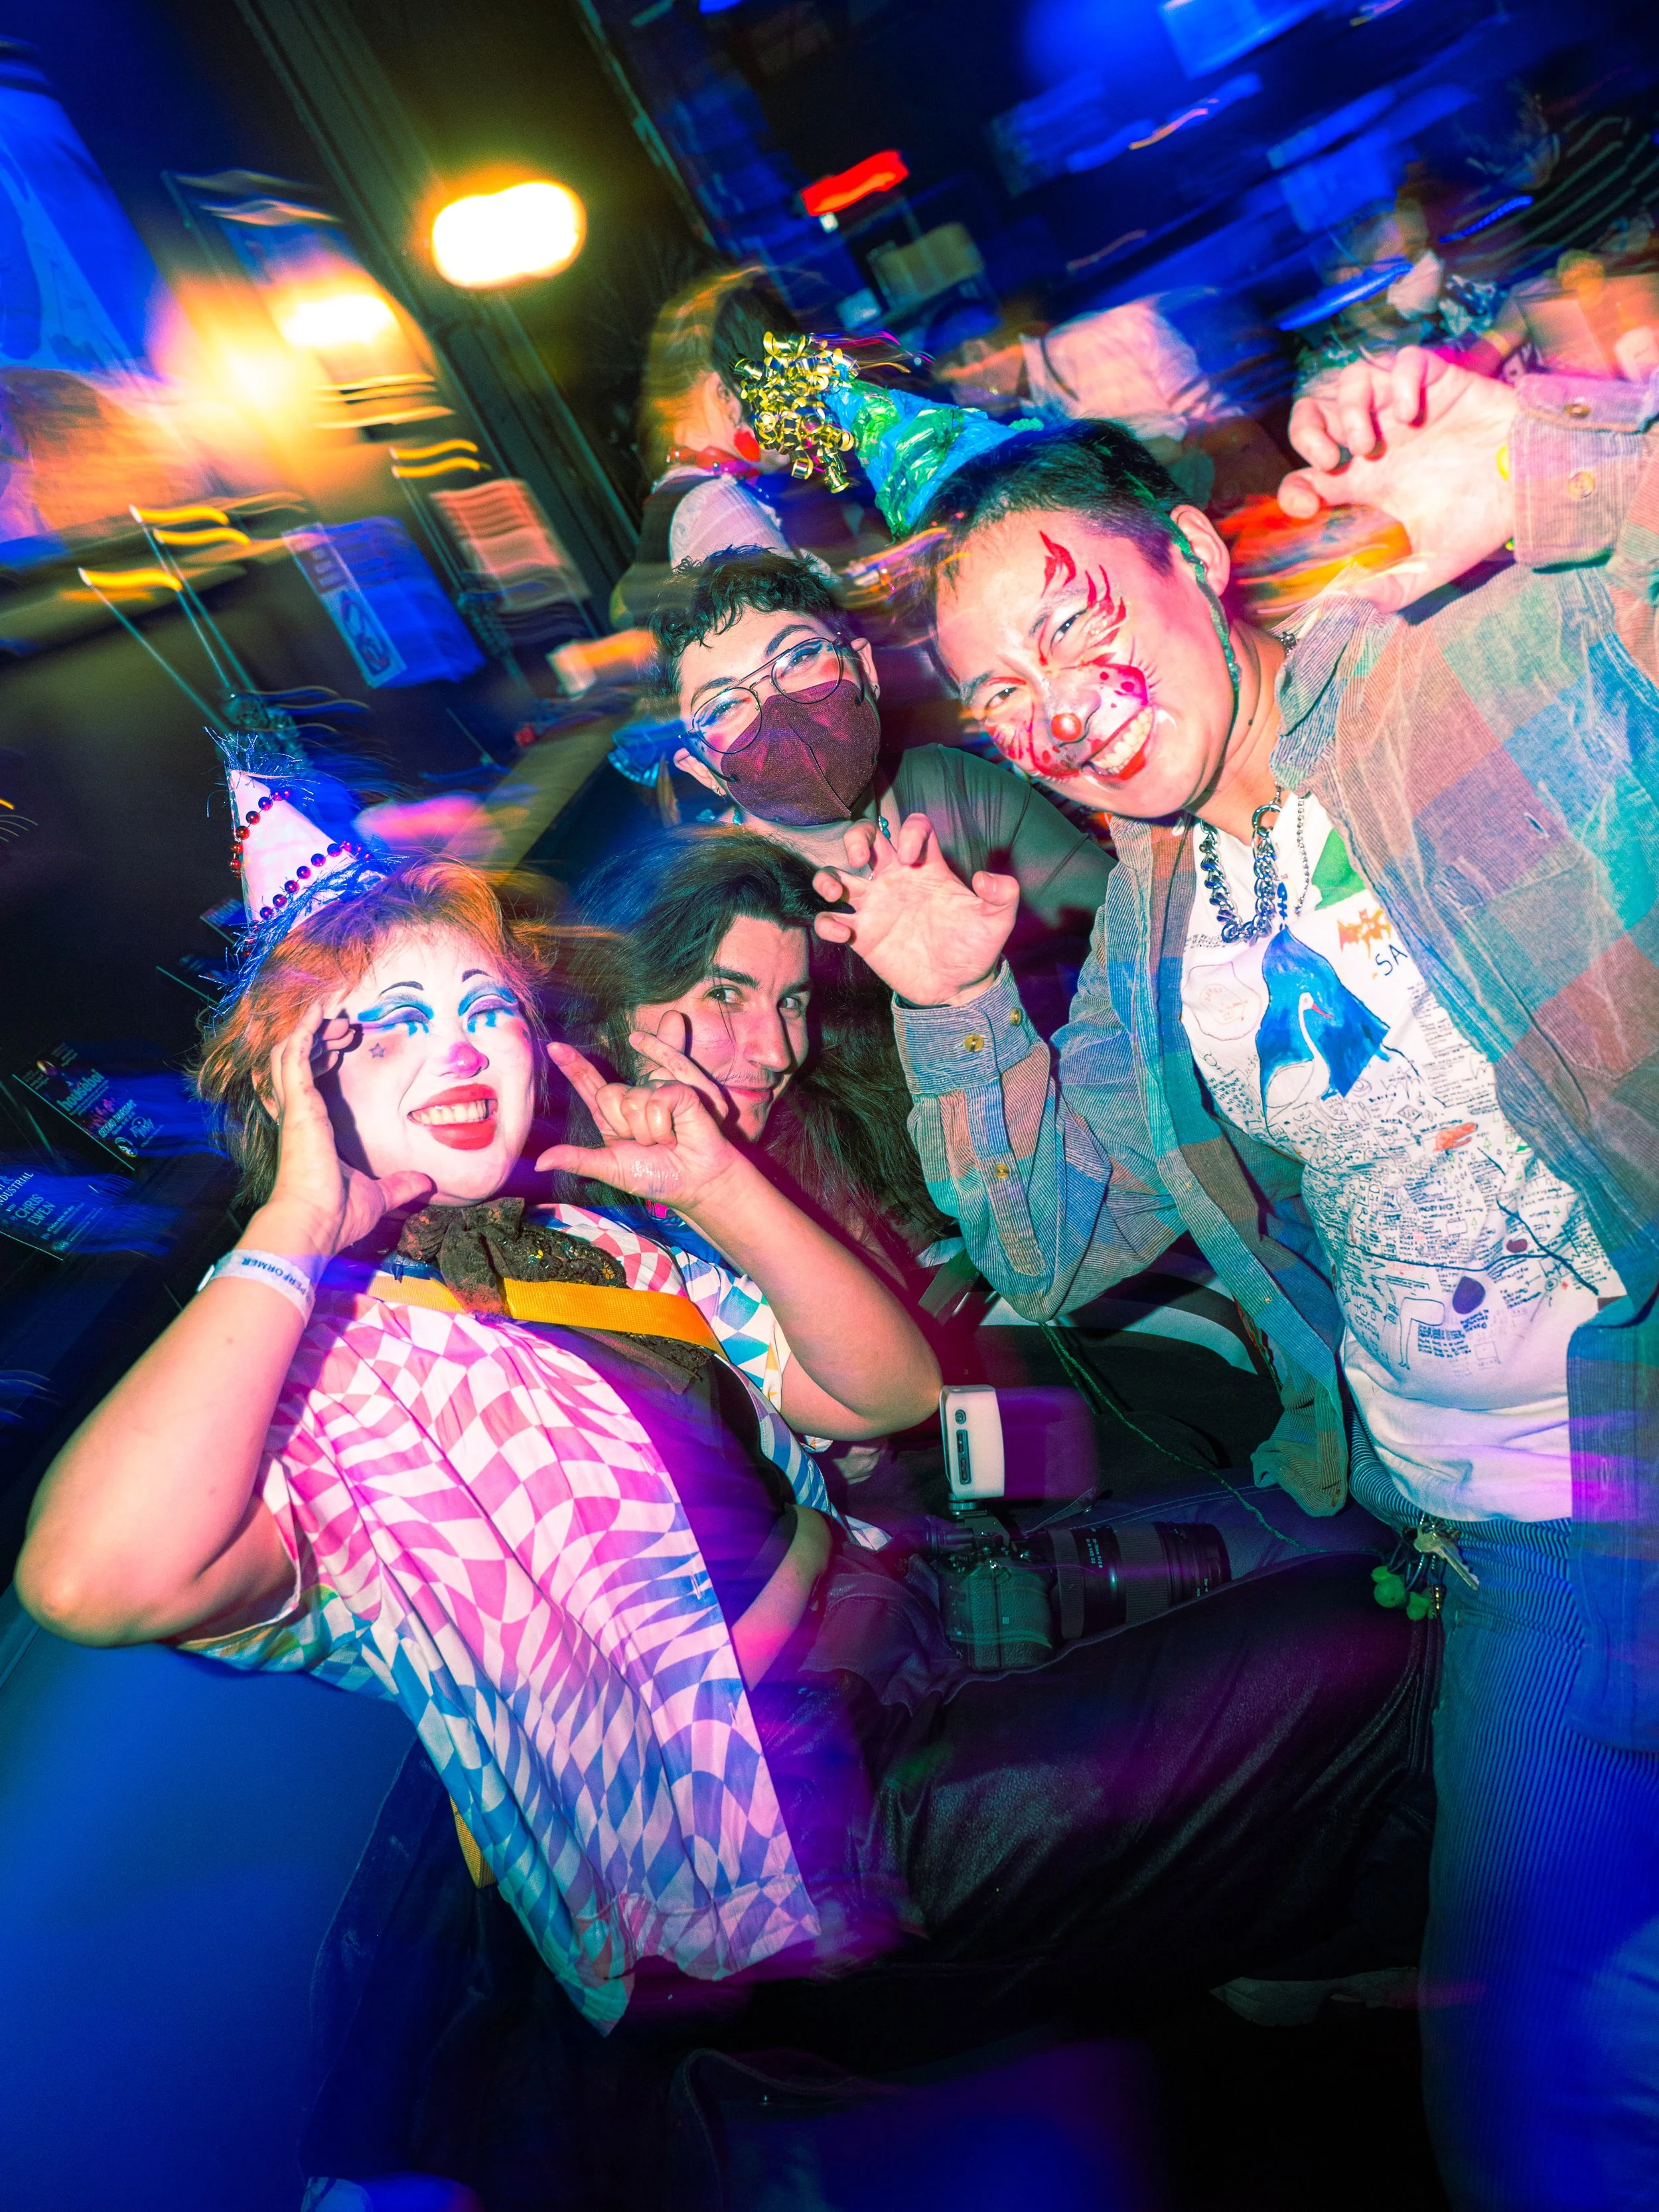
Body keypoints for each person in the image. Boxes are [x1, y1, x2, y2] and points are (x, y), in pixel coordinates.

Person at [15, 783, 1431, 2199]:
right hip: (814, 1841)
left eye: (483, 1006)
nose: (459, 1043)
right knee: (1383, 1654)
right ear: (294, 1084)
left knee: (1356, 1567)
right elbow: (89, 1575)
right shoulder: (325, 1384)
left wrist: (714, 1189)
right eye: (387, 1020)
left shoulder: (574, 1233)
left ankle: (1310, 1945)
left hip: (919, 1630)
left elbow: (883, 1394)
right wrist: (291, 1228)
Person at [793, 341, 1659, 2209]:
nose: (1058, 708)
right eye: (1003, 693)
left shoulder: (1458, 651)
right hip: (1507, 1544)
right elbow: (1048, 1245)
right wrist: (952, 1015)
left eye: (1079, 623)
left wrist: (1572, 466)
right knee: (1533, 2120)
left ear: (1194, 551)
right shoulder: (1150, 924)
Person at [654, 548, 1113, 1036]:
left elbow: (1144, 923)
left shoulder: (955, 788)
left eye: (801, 656)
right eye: (722, 706)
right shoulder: (707, 916)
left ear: (866, 669)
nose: (779, 709)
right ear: (702, 771)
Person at [557, 827, 950, 1284]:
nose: (778, 1053)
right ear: (609, 1015)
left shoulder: (816, 1143)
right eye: (725, 994)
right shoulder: (557, 1224)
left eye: (790, 1002)